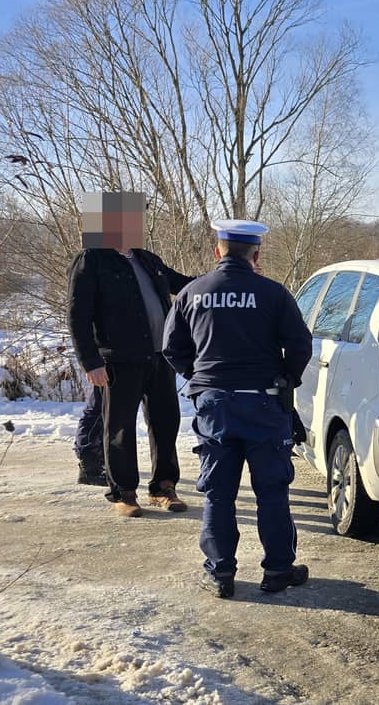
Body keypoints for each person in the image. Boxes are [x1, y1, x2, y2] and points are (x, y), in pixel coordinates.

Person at [162, 219, 313, 599]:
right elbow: (300, 346)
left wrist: (199, 377)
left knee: (218, 493)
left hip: (215, 406)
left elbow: (171, 349)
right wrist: (286, 378)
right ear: (256, 254)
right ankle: (278, 570)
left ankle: (220, 573)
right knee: (272, 492)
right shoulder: (273, 294)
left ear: (219, 251)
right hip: (264, 403)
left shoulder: (191, 293)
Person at [67, 191, 194, 516]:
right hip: (118, 360)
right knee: (119, 428)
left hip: (159, 356)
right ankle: (124, 494)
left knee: (166, 422)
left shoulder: (146, 258)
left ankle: (164, 487)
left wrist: (229, 276)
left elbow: (186, 285)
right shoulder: (91, 259)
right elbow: (77, 316)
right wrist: (91, 361)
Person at [74, 385, 106, 485]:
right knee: (96, 412)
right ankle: (89, 468)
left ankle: (103, 461)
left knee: (112, 413)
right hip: (105, 372)